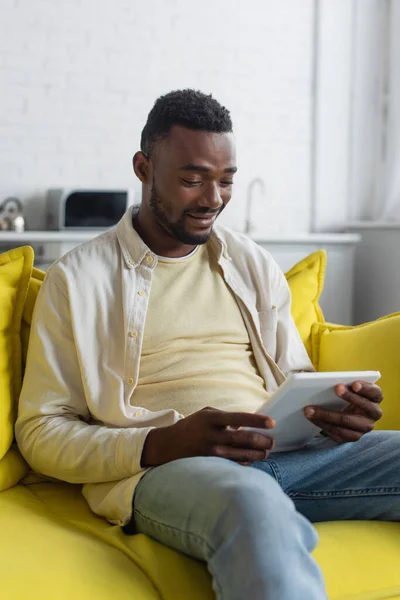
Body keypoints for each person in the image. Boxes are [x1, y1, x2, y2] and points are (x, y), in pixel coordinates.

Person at [16, 89, 399, 600]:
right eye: (192, 179)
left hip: (290, 452)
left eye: (225, 181)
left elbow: (295, 379)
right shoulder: (78, 280)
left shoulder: (253, 264)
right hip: (173, 470)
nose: (213, 198)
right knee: (251, 505)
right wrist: (158, 443)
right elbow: (41, 431)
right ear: (143, 168)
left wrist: (333, 413)